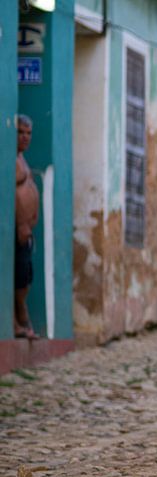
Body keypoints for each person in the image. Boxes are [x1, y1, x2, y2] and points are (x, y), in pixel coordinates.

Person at [14, 115, 39, 340]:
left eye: (29, 133)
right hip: (18, 229)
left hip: (26, 230)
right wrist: (21, 223)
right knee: (19, 276)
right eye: (20, 132)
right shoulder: (10, 158)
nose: (25, 137)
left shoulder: (21, 157)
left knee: (26, 274)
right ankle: (18, 322)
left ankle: (22, 321)